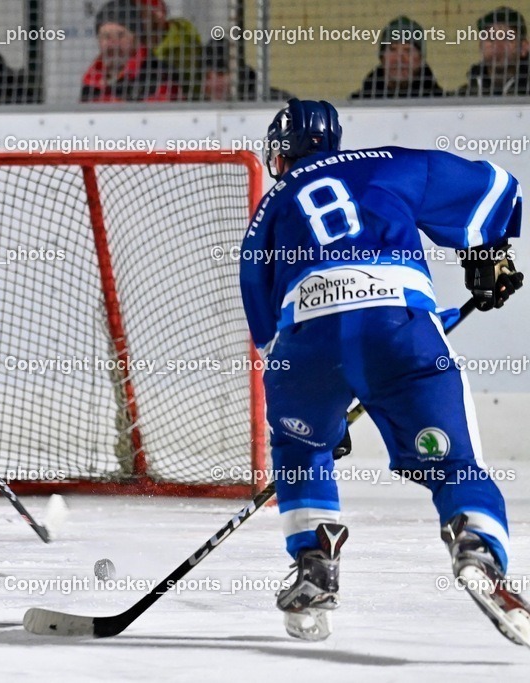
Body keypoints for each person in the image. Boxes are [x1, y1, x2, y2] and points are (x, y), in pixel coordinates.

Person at [242, 98, 527, 645]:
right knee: (454, 463)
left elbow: (270, 336)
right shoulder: (387, 163)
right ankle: (476, 546)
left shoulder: (267, 213)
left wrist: (327, 414)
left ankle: (314, 562)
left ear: (282, 154)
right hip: (402, 331)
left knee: (300, 445)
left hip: (304, 350)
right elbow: (493, 186)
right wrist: (488, 254)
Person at [80, 0, 177, 103]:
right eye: (106, 36)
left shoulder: (158, 75)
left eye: (120, 35)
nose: (112, 44)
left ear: (136, 39)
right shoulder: (91, 81)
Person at [350, 17, 444, 99]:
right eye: (393, 49)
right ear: (382, 57)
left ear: (420, 59)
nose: (399, 59)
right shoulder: (358, 105)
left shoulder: (441, 104)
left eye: (408, 50)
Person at [456, 7, 530, 97]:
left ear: (524, 47)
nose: (497, 45)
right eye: (490, 38)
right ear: (481, 46)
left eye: (507, 38)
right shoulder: (464, 96)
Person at [136, 0, 202, 99]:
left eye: (141, 13)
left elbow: (188, 86)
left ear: (159, 14)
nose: (137, 18)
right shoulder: (135, 42)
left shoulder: (182, 45)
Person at [200, 38, 293, 102]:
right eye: (207, 77)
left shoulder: (276, 102)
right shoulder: (199, 109)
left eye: (221, 74)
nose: (214, 83)